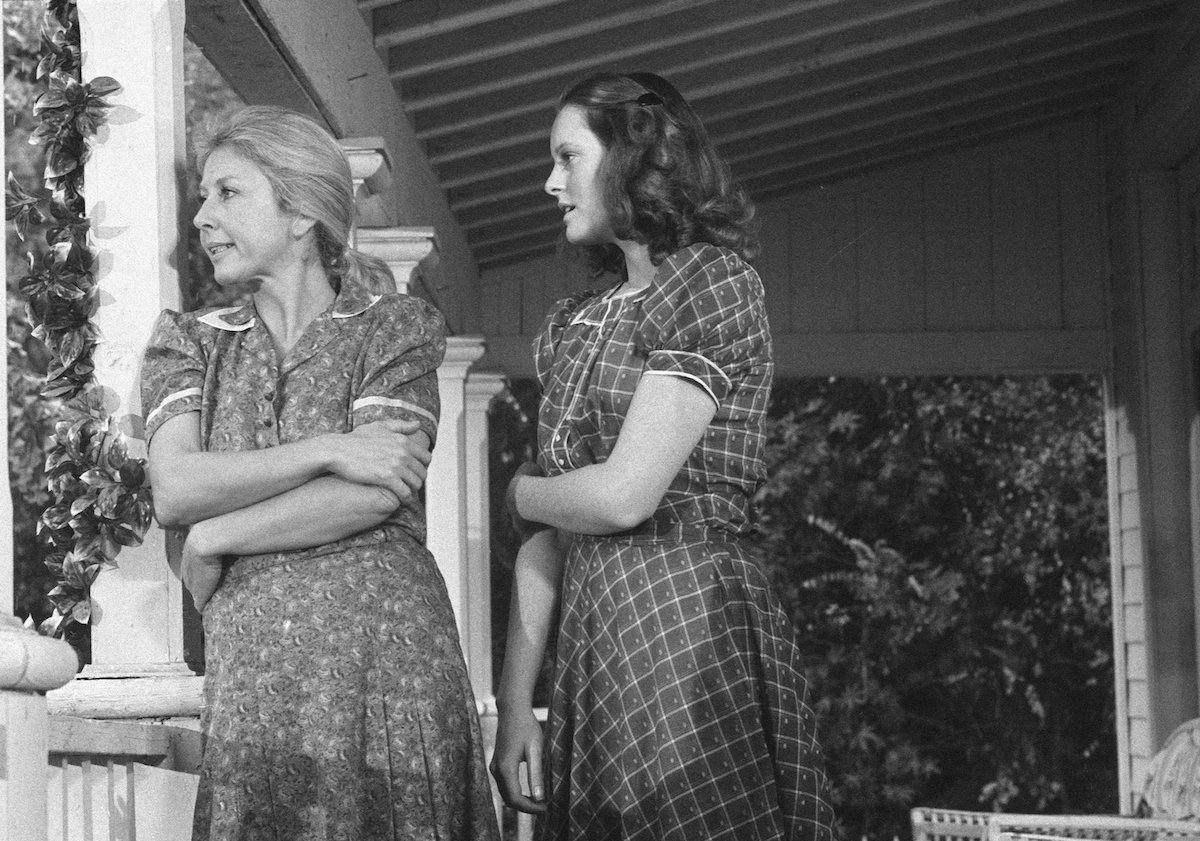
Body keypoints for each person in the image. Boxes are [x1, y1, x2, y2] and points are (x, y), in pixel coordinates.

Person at [489, 72, 836, 841]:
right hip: (592, 633)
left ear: (631, 159)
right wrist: (517, 702)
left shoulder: (710, 284)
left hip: (685, 622)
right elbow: (553, 535)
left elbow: (619, 498)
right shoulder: (574, 322)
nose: (552, 183)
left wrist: (522, 495)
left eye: (567, 158)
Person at [140, 106, 499, 841]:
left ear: (300, 211)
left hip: (386, 660)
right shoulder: (189, 344)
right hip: (258, 672)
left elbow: (376, 488)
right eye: (202, 197)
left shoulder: (392, 326)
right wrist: (326, 448)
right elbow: (175, 485)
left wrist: (218, 537)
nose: (203, 217)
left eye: (227, 193)